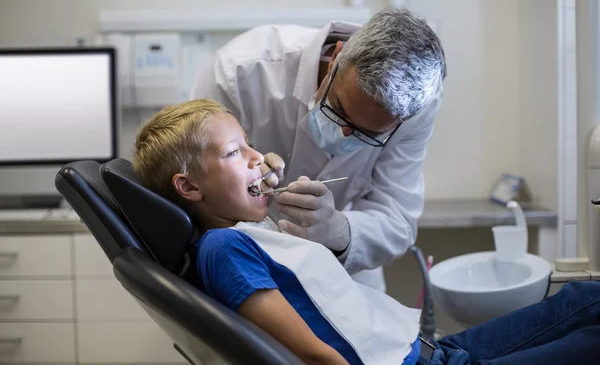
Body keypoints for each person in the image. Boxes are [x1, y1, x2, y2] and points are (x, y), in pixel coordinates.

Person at [133, 99, 600, 365]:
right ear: (189, 186)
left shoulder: (253, 232)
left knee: (585, 300)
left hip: (431, 350)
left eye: (251, 144)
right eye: (236, 152)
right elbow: (317, 360)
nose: (258, 157)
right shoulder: (223, 247)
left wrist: (260, 182)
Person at [190, 8, 447, 291]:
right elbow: (190, 192)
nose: (343, 133)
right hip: (242, 261)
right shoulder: (239, 73)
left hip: (343, 274)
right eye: (338, 109)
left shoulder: (416, 107)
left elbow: (396, 217)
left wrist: (341, 232)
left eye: (367, 133)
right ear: (337, 56)